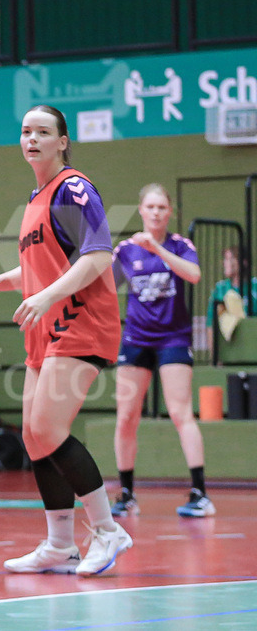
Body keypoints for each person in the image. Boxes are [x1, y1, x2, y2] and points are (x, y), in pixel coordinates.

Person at [0, 105, 132, 577]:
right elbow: (44, 266)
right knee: (34, 436)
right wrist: (0, 281)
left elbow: (98, 256)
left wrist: (48, 295)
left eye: (43, 132)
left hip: (81, 320)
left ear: (63, 141)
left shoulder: (73, 189)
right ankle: (60, 545)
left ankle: (107, 530)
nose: (31, 139)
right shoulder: (37, 197)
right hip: (45, 327)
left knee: (49, 428)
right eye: (26, 131)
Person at [111, 184, 213, 518]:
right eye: (150, 207)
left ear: (170, 212)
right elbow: (105, 286)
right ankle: (126, 493)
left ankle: (200, 493)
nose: (155, 212)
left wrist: (156, 248)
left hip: (173, 338)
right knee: (126, 416)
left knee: (181, 412)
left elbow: (194, 275)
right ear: (141, 210)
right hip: (136, 339)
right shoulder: (126, 250)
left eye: (161, 207)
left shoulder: (180, 245)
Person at [206, 246, 256, 354]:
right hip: (228, 350)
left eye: (230, 259)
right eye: (225, 259)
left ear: (244, 262)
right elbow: (211, 325)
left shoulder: (254, 287)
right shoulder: (220, 289)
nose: (225, 263)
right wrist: (214, 356)